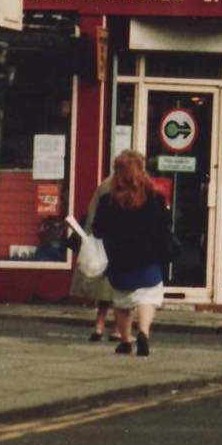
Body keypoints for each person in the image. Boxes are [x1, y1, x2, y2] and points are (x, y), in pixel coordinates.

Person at [91, 150, 173, 357]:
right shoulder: (154, 198)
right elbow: (165, 225)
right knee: (149, 295)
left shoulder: (107, 201)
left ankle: (126, 341)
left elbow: (98, 229)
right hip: (148, 259)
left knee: (121, 301)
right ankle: (143, 332)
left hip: (119, 261)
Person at [70, 173, 117, 342]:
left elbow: (92, 214)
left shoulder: (105, 184)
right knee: (123, 289)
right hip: (119, 244)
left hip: (102, 242)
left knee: (104, 288)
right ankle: (118, 330)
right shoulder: (129, 186)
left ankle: (99, 326)